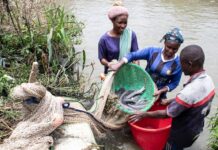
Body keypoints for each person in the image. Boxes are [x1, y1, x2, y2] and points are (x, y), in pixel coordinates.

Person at [129, 45, 215, 150]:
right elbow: (194, 100)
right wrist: (169, 101)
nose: (180, 66)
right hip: (196, 129)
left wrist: (143, 114)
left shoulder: (188, 92)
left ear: (190, 64)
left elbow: (166, 114)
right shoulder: (209, 81)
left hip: (180, 135)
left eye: (181, 62)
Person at [109, 28, 184, 100]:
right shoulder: (152, 51)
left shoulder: (178, 64)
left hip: (159, 95)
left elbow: (175, 83)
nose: (170, 51)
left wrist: (161, 91)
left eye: (175, 49)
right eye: (168, 47)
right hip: (142, 89)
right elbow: (132, 55)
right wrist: (119, 64)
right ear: (164, 43)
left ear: (179, 47)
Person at [98, 2, 139, 74]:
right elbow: (101, 59)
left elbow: (136, 55)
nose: (123, 26)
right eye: (120, 23)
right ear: (113, 21)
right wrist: (109, 64)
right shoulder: (104, 39)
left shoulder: (131, 35)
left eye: (125, 22)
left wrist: (137, 70)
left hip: (128, 73)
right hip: (112, 74)